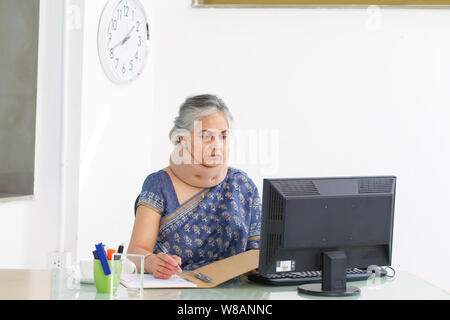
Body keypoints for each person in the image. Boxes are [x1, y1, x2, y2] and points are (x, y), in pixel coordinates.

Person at [127, 94, 261, 279]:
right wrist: (152, 262)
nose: (217, 146)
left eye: (223, 136)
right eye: (207, 137)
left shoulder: (242, 185)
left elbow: (258, 254)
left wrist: (259, 266)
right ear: (182, 138)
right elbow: (135, 252)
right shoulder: (159, 184)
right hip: (175, 290)